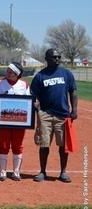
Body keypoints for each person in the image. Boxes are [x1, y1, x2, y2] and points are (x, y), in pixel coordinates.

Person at [30, 48, 78, 183]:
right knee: (44, 144)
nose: (57, 59)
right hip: (45, 114)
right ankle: (42, 171)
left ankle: (63, 171)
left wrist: (74, 110)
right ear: (47, 59)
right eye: (54, 57)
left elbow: (73, 92)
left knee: (63, 145)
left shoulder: (67, 74)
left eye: (58, 57)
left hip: (63, 115)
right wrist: (36, 106)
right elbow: (33, 95)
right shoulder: (40, 76)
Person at [0, 62, 30, 181]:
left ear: (17, 74)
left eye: (10, 71)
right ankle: (2, 171)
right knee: (3, 145)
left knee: (17, 145)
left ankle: (16, 171)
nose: (7, 73)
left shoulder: (24, 85)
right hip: (2, 120)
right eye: (7, 70)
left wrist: (34, 105)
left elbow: (28, 101)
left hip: (19, 121)